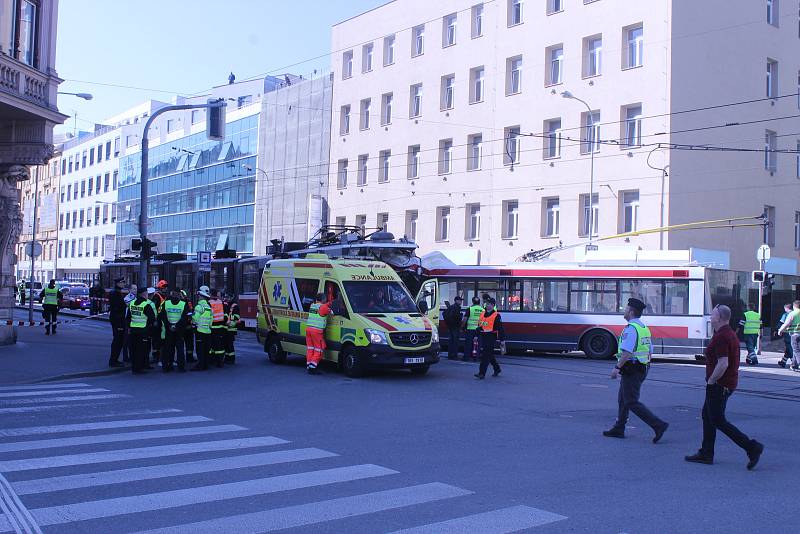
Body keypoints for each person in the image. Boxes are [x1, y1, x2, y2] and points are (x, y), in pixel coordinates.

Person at [685, 304, 764, 470]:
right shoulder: (727, 333)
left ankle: (751, 447)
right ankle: (706, 452)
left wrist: (711, 381)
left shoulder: (722, 336)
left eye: (713, 314)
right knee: (708, 416)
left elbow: (723, 363)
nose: (710, 316)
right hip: (725, 383)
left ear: (719, 318)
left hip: (720, 384)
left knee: (718, 420)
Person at [603, 298, 669, 442]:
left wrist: (616, 368)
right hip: (641, 367)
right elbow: (650, 349)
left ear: (631, 312)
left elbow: (627, 352)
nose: (624, 310)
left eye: (626, 309)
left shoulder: (631, 328)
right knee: (623, 399)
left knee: (631, 401)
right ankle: (619, 427)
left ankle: (658, 425)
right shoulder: (643, 328)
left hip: (633, 369)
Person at [159, 288, 190, 372]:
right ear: (179, 294)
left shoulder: (166, 303)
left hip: (169, 329)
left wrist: (169, 325)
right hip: (179, 330)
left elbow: (162, 316)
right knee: (179, 348)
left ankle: (167, 366)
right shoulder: (183, 304)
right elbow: (185, 317)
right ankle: (181, 367)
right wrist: (176, 326)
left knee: (168, 348)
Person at [128, 286, 157, 375]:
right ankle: (139, 368)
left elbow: (128, 317)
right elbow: (152, 318)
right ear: (144, 294)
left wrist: (129, 328)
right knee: (141, 350)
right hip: (143, 330)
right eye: (147, 293)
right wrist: (150, 326)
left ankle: (134, 368)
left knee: (134, 349)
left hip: (133, 330)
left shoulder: (132, 303)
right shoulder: (146, 305)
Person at [474, 297, 504, 379]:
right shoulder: (482, 314)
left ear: (493, 305)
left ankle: (481, 373)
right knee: (489, 354)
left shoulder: (496, 315)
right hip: (483, 336)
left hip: (491, 336)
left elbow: (500, 329)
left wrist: (502, 340)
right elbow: (479, 326)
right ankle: (497, 369)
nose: (487, 305)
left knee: (485, 354)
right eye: (487, 304)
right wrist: (476, 335)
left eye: (489, 304)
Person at [305, 293, 331, 374]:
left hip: (309, 329)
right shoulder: (323, 307)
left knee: (310, 349)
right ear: (323, 299)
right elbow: (331, 312)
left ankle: (309, 365)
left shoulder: (313, 305)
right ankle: (313, 367)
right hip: (317, 331)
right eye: (325, 299)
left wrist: (328, 303)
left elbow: (322, 307)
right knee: (318, 349)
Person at [191, 286, 213, 371]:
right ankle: (205, 365)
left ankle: (200, 365)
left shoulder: (199, 307)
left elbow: (195, 319)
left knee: (200, 349)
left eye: (199, 295)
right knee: (206, 349)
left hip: (199, 331)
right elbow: (211, 319)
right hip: (207, 331)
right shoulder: (209, 307)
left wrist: (193, 323)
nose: (198, 297)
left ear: (201, 296)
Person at [108, 278, 127, 367]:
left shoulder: (116, 292)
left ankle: (115, 360)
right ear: (118, 283)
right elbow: (117, 308)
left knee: (119, 340)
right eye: (123, 282)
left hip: (117, 319)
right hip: (118, 320)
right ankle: (113, 361)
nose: (124, 284)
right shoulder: (116, 293)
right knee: (117, 340)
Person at [777, 300, 800, 372]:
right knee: (796, 350)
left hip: (795, 334)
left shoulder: (793, 313)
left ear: (794, 306)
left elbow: (786, 323)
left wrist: (780, 330)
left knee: (796, 350)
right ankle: (794, 365)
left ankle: (798, 364)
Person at [208, 289, 227, 368]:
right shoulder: (221, 302)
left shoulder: (209, 303)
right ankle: (220, 361)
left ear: (211, 294)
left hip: (212, 327)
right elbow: (225, 314)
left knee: (212, 345)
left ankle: (212, 360)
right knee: (219, 345)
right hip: (221, 327)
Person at [462, 296, 483, 362]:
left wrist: (462, 327)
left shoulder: (470, 309)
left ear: (473, 302)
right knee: (478, 344)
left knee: (468, 344)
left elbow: (465, 319)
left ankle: (466, 357)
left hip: (470, 329)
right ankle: (476, 358)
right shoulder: (483, 310)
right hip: (479, 330)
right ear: (479, 302)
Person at [444, 296, 463, 360]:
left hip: (451, 326)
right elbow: (456, 317)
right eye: (460, 300)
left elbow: (444, 314)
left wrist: (449, 324)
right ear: (456, 300)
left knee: (451, 341)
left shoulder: (451, 307)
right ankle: (454, 355)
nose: (461, 301)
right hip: (455, 326)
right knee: (455, 341)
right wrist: (460, 316)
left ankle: (450, 355)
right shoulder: (456, 307)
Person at [123, 283, 137, 363]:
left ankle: (131, 356)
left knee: (131, 340)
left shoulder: (135, 297)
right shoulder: (127, 298)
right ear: (130, 290)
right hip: (127, 320)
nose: (135, 290)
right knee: (126, 340)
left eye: (136, 288)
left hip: (133, 320)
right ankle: (126, 357)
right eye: (134, 289)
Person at [777, 303, 794, 368]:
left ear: (786, 308)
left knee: (790, 348)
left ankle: (794, 362)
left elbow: (781, 323)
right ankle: (783, 361)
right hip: (795, 332)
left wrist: (778, 330)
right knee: (788, 348)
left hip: (787, 333)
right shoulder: (796, 314)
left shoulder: (786, 314)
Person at [181, 290, 196, 363]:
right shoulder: (187, 302)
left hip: (186, 325)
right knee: (187, 343)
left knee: (188, 343)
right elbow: (190, 312)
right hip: (185, 325)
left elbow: (191, 312)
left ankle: (188, 357)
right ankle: (188, 358)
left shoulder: (185, 302)